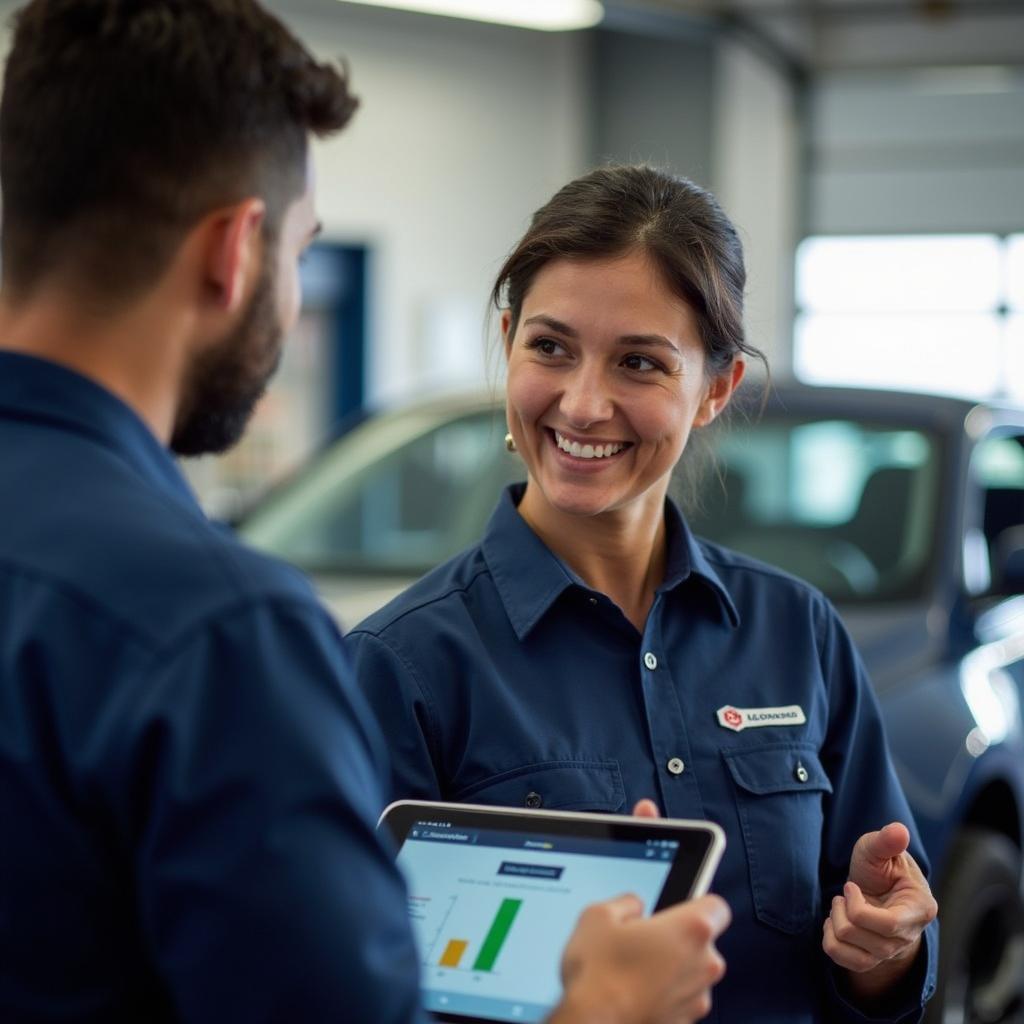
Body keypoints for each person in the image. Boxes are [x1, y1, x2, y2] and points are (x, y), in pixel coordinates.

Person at [0, 5, 731, 1023]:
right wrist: (599, 1008)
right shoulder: (215, 634)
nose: (582, 400)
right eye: (302, 249)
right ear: (234, 252)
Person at [348, 165, 941, 1024]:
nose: (584, 405)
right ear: (508, 340)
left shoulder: (797, 631)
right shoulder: (401, 667)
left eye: (639, 363)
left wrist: (886, 952)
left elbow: (881, 959)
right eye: (549, 347)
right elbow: (358, 992)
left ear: (716, 390)